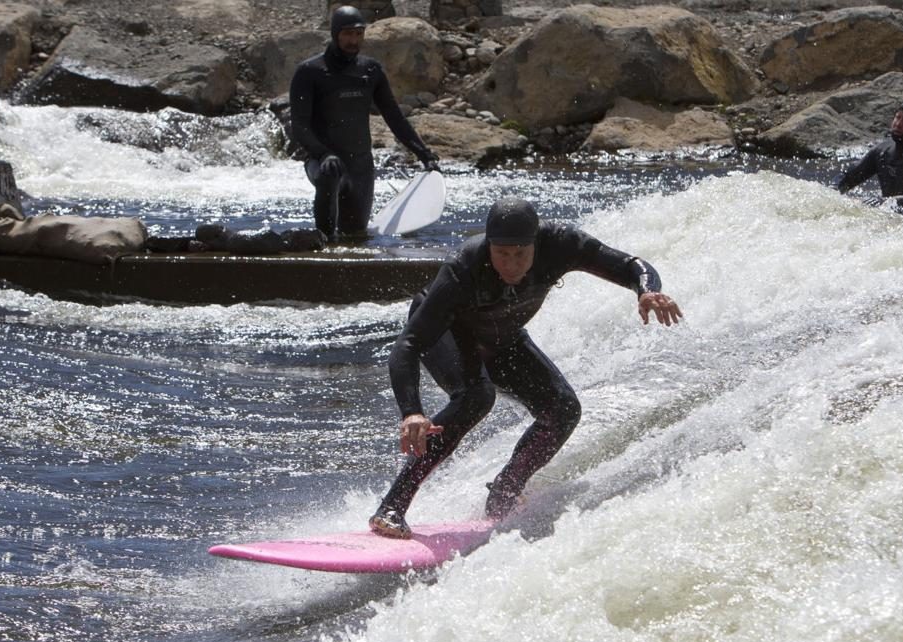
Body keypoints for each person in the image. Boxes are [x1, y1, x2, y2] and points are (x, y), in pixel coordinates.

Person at [368, 197, 683, 538]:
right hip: (447, 332)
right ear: (489, 245)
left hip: (503, 336)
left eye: (521, 253)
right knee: (476, 397)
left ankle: (504, 492)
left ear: (536, 244)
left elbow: (630, 264)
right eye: (502, 254)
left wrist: (647, 290)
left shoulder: (562, 244)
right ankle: (391, 507)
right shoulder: (464, 266)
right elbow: (409, 343)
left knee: (563, 409)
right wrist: (412, 412)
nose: (512, 264)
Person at [288, 5, 439, 241]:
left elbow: (394, 117)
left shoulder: (370, 70)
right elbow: (299, 126)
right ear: (335, 33)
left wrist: (424, 153)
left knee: (357, 237)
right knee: (330, 196)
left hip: (360, 165)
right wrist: (324, 153)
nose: (354, 40)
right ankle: (322, 250)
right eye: (348, 34)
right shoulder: (310, 72)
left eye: (359, 34)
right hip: (323, 161)